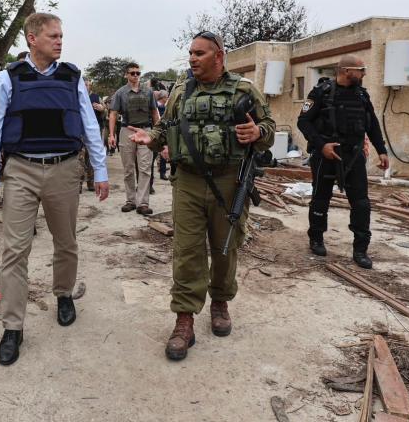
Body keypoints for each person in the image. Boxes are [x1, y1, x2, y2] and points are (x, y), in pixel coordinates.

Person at [128, 31, 275, 361]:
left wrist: (257, 133)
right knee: (187, 250)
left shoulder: (243, 89)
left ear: (219, 56)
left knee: (225, 248)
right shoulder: (182, 90)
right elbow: (164, 129)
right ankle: (184, 318)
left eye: (199, 53)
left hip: (229, 182)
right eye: (190, 53)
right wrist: (148, 137)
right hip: (189, 183)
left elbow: (269, 127)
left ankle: (220, 301)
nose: (192, 58)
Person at [0, 12, 109, 366]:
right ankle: (12, 327)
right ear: (32, 39)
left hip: (65, 168)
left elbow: (88, 125)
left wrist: (100, 169)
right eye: (53, 36)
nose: (60, 41)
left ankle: (64, 294)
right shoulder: (8, 78)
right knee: (14, 250)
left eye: (61, 35)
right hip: (21, 169)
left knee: (65, 242)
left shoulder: (72, 77)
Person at [297, 55, 389, 269]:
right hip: (326, 156)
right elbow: (303, 121)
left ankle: (360, 249)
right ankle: (316, 238)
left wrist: (382, 151)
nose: (364, 73)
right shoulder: (321, 93)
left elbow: (372, 124)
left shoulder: (362, 96)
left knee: (361, 203)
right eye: (361, 70)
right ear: (347, 71)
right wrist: (322, 146)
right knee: (320, 198)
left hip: (354, 156)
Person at [109, 63, 160, 215]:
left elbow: (154, 112)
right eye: (132, 73)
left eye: (138, 73)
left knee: (145, 168)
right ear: (126, 75)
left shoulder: (148, 91)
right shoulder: (120, 93)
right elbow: (113, 114)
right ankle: (130, 200)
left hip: (146, 131)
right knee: (128, 169)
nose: (136, 76)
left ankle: (143, 203)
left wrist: (158, 133)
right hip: (127, 131)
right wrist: (112, 135)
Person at [80, 77, 106, 191]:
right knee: (80, 158)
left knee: (92, 156)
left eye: (88, 84)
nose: (86, 86)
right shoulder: (77, 95)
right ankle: (79, 183)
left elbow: (105, 110)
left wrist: (102, 108)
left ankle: (91, 182)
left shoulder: (96, 97)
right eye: (84, 84)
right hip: (80, 130)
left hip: (94, 129)